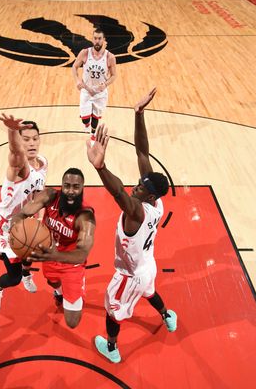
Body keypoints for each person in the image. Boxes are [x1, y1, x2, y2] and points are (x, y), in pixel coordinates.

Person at [85, 88, 177, 363]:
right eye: (139, 183)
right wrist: (139, 114)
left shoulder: (136, 212)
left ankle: (112, 348)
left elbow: (119, 194)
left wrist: (101, 168)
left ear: (149, 195)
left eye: (141, 186)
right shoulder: (156, 204)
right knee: (150, 291)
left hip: (128, 275)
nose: (136, 186)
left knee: (113, 311)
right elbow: (142, 151)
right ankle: (166, 316)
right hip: (147, 265)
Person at [11, 168, 96, 328]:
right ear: (61, 185)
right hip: (49, 254)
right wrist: (14, 227)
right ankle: (59, 292)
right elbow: (22, 214)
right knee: (52, 281)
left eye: (76, 187)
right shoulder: (49, 196)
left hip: (71, 264)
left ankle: (78, 288)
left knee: (72, 322)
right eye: (67, 185)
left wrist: (53, 255)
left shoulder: (85, 216)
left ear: (82, 188)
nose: (71, 191)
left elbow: (81, 255)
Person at [0, 114, 47, 314]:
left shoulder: (42, 163)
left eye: (35, 138)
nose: (31, 143)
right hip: (8, 228)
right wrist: (12, 131)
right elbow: (15, 153)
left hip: (26, 223)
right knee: (13, 278)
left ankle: (27, 274)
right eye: (26, 139)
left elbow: (39, 195)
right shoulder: (20, 168)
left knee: (29, 258)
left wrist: (39, 220)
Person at [72, 28, 117, 138]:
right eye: (95, 38)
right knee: (85, 119)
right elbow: (74, 66)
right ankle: (87, 125)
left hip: (100, 93)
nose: (97, 41)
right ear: (92, 39)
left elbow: (114, 75)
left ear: (104, 40)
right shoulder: (85, 53)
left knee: (95, 120)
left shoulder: (110, 57)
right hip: (86, 90)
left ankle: (92, 134)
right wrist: (77, 80)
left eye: (99, 38)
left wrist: (106, 84)